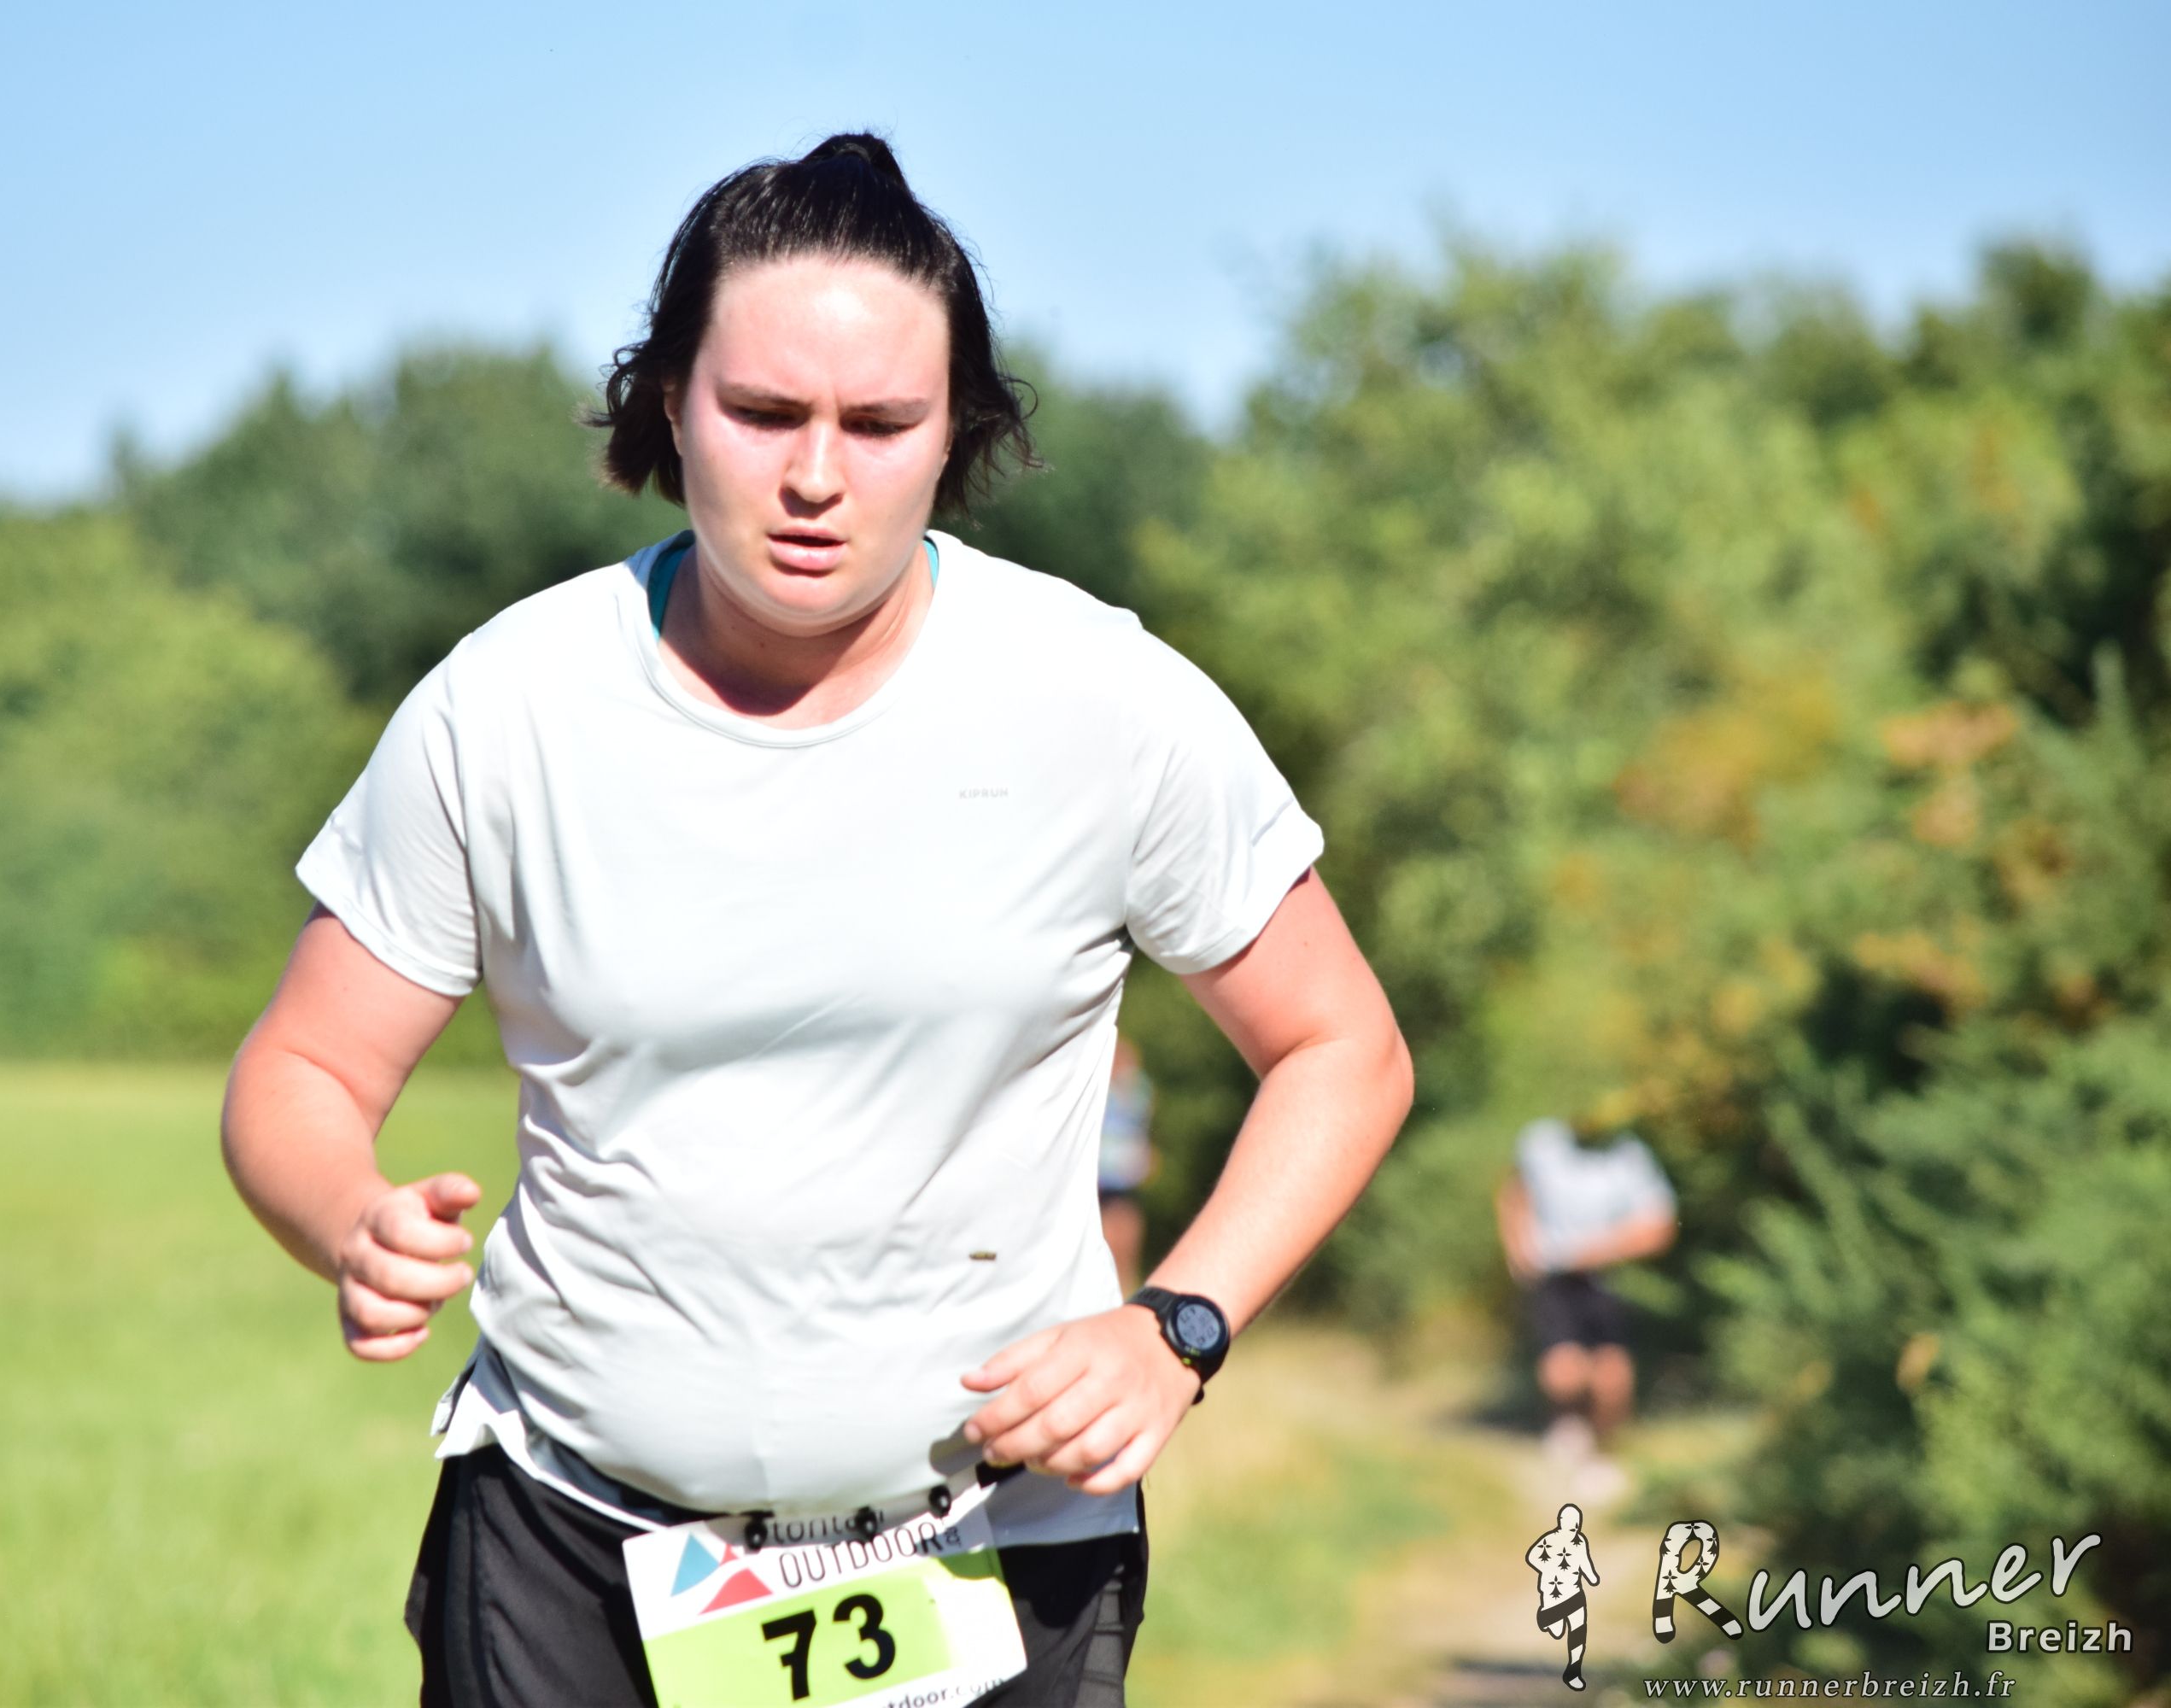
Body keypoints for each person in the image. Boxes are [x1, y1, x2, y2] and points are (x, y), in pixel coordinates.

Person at [220, 132, 1413, 1708]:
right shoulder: (506, 707)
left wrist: (1175, 1327)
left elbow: (1341, 1049)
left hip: (991, 1549)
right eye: (765, 412)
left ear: (956, 431)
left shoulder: (1102, 700)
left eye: (880, 424)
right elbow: (301, 1073)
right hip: (567, 1547)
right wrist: (346, 1219)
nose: (814, 477)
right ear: (668, 403)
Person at [1495, 1116, 1679, 1486]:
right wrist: (1519, 1251)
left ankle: (1602, 1452)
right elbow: (1515, 1193)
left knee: (1612, 1374)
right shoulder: (1541, 1142)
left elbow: (1659, 1226)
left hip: (1608, 1275)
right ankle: (1570, 1428)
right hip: (1554, 1275)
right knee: (1564, 1371)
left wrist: (1601, 1249)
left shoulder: (1631, 1154)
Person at [1097, 1035, 1156, 1296]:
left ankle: (1125, 1292)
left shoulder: (1136, 1090)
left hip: (1120, 1174)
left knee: (1122, 1235)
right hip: (1102, 1174)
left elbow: (1140, 1127)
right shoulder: (1111, 1089)